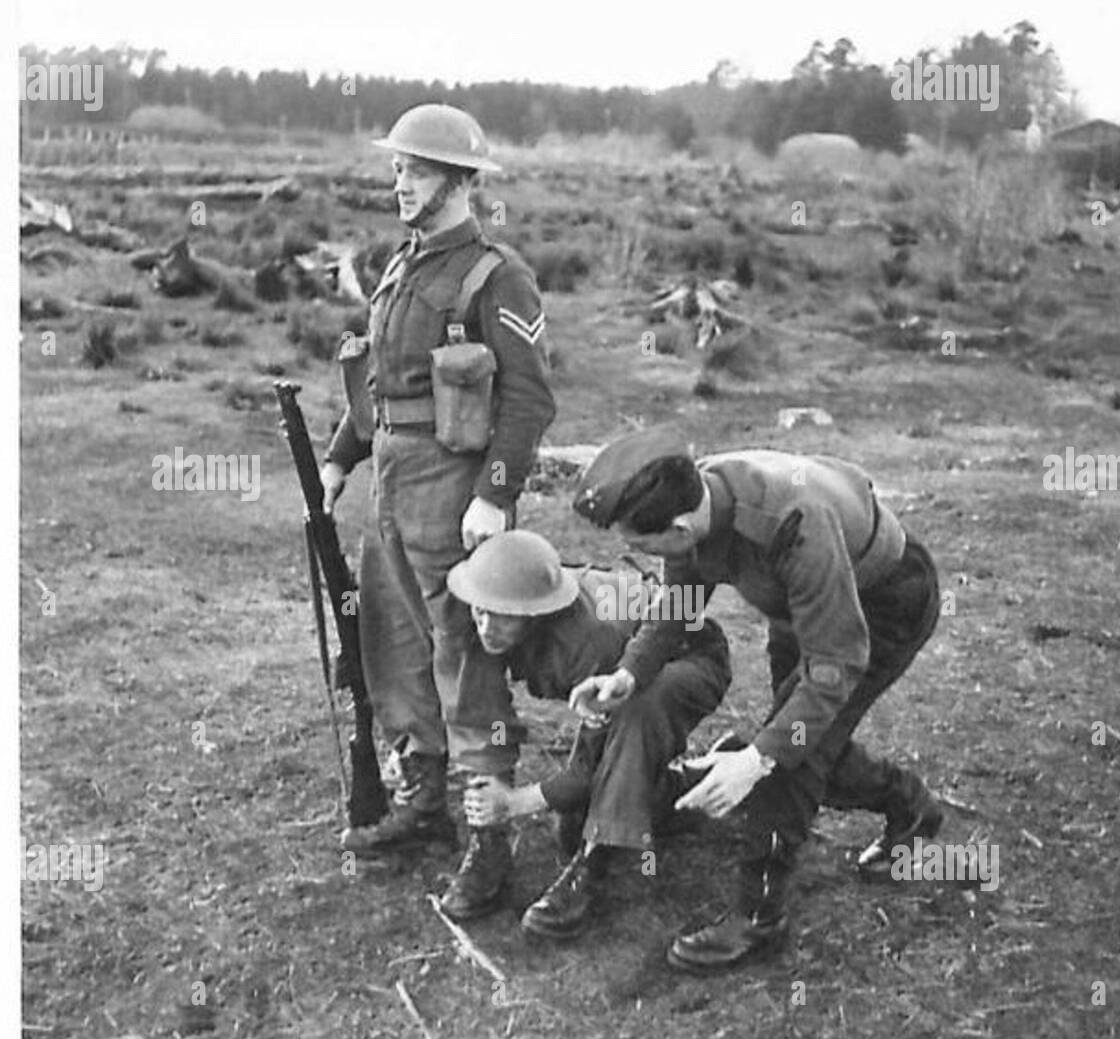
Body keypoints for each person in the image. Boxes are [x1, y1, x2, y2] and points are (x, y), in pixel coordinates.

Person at [570, 431, 943, 973]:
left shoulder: (795, 524)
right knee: (803, 739)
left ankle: (759, 916)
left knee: (792, 756)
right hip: (800, 609)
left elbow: (834, 664)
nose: (639, 557)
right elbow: (682, 596)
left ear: (678, 529)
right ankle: (911, 810)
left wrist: (758, 758)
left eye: (643, 546)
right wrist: (630, 673)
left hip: (881, 606)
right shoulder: (690, 502)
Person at [320, 104, 556, 920]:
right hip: (392, 480)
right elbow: (380, 386)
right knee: (393, 644)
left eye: (416, 170)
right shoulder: (400, 265)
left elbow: (528, 399)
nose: (400, 182)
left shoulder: (496, 275)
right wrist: (338, 458)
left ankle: (491, 845)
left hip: (454, 495)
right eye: (396, 169)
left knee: (466, 659)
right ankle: (424, 804)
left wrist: (495, 493)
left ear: (460, 182)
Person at [445, 530, 731, 938]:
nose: (486, 626)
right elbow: (474, 703)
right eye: (481, 612)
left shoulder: (591, 640)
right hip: (639, 653)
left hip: (689, 656)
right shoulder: (489, 611)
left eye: (501, 616)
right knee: (575, 815)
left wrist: (515, 803)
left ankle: (595, 863)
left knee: (633, 721)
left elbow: (587, 768)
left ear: (533, 613)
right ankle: (702, 781)